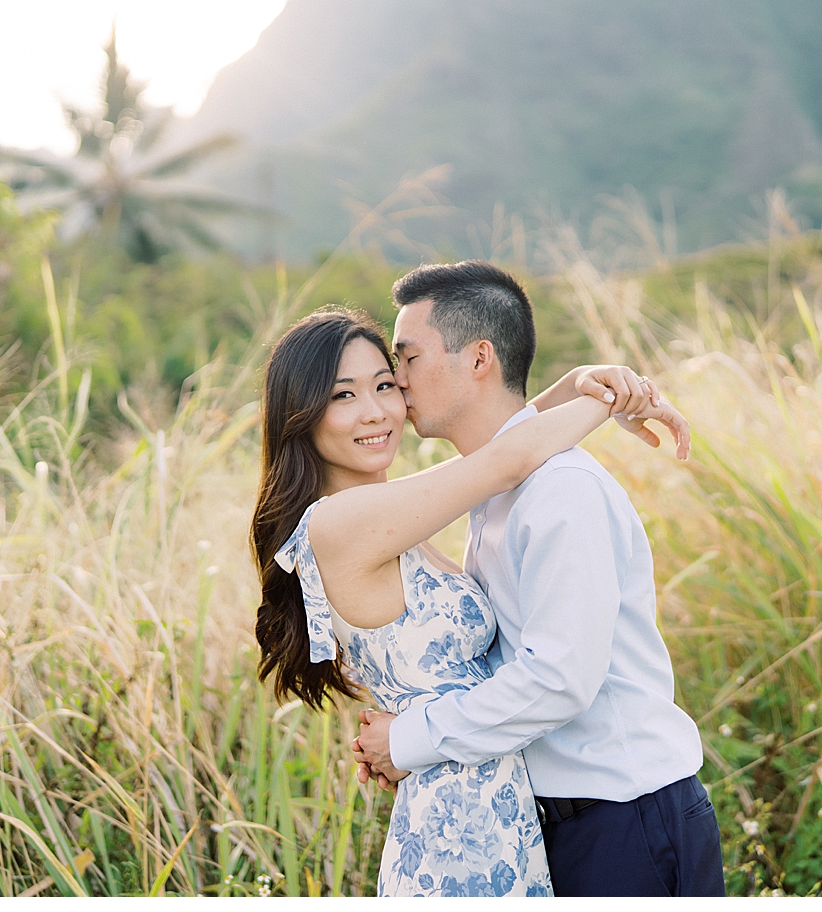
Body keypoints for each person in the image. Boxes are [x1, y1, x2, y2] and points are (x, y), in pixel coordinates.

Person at [250, 304, 688, 897]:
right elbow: (504, 462)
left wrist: (585, 378)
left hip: (494, 808)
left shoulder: (395, 515)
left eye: (386, 384)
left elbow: (501, 442)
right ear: (301, 415)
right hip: (455, 827)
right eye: (343, 396)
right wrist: (615, 397)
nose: (376, 410)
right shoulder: (340, 523)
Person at [350, 260, 726, 897]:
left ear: (478, 359)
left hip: (624, 819)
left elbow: (558, 680)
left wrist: (411, 740)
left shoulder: (559, 493)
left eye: (408, 357)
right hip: (557, 821)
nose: (397, 381)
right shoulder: (494, 489)